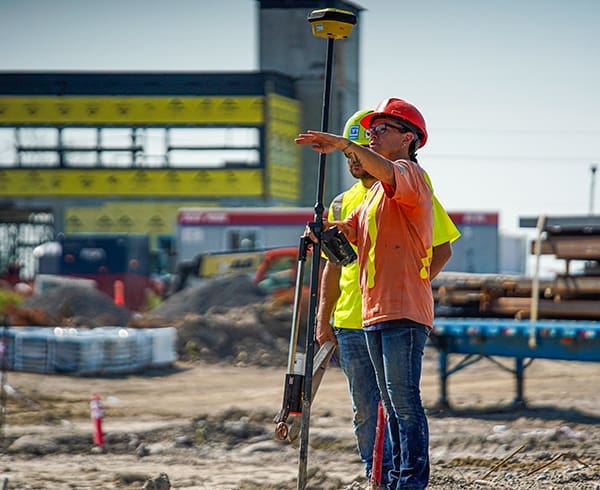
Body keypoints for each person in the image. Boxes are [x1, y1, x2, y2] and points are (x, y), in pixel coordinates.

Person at [295, 97, 437, 489]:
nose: (372, 135)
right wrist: (322, 233)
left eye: (381, 130)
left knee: (404, 401)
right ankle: (391, 479)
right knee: (389, 406)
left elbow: (388, 174)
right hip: (373, 312)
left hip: (403, 308)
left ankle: (409, 481)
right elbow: (350, 231)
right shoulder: (373, 194)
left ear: (409, 138)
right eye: (370, 131)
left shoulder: (408, 177)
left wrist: (344, 145)